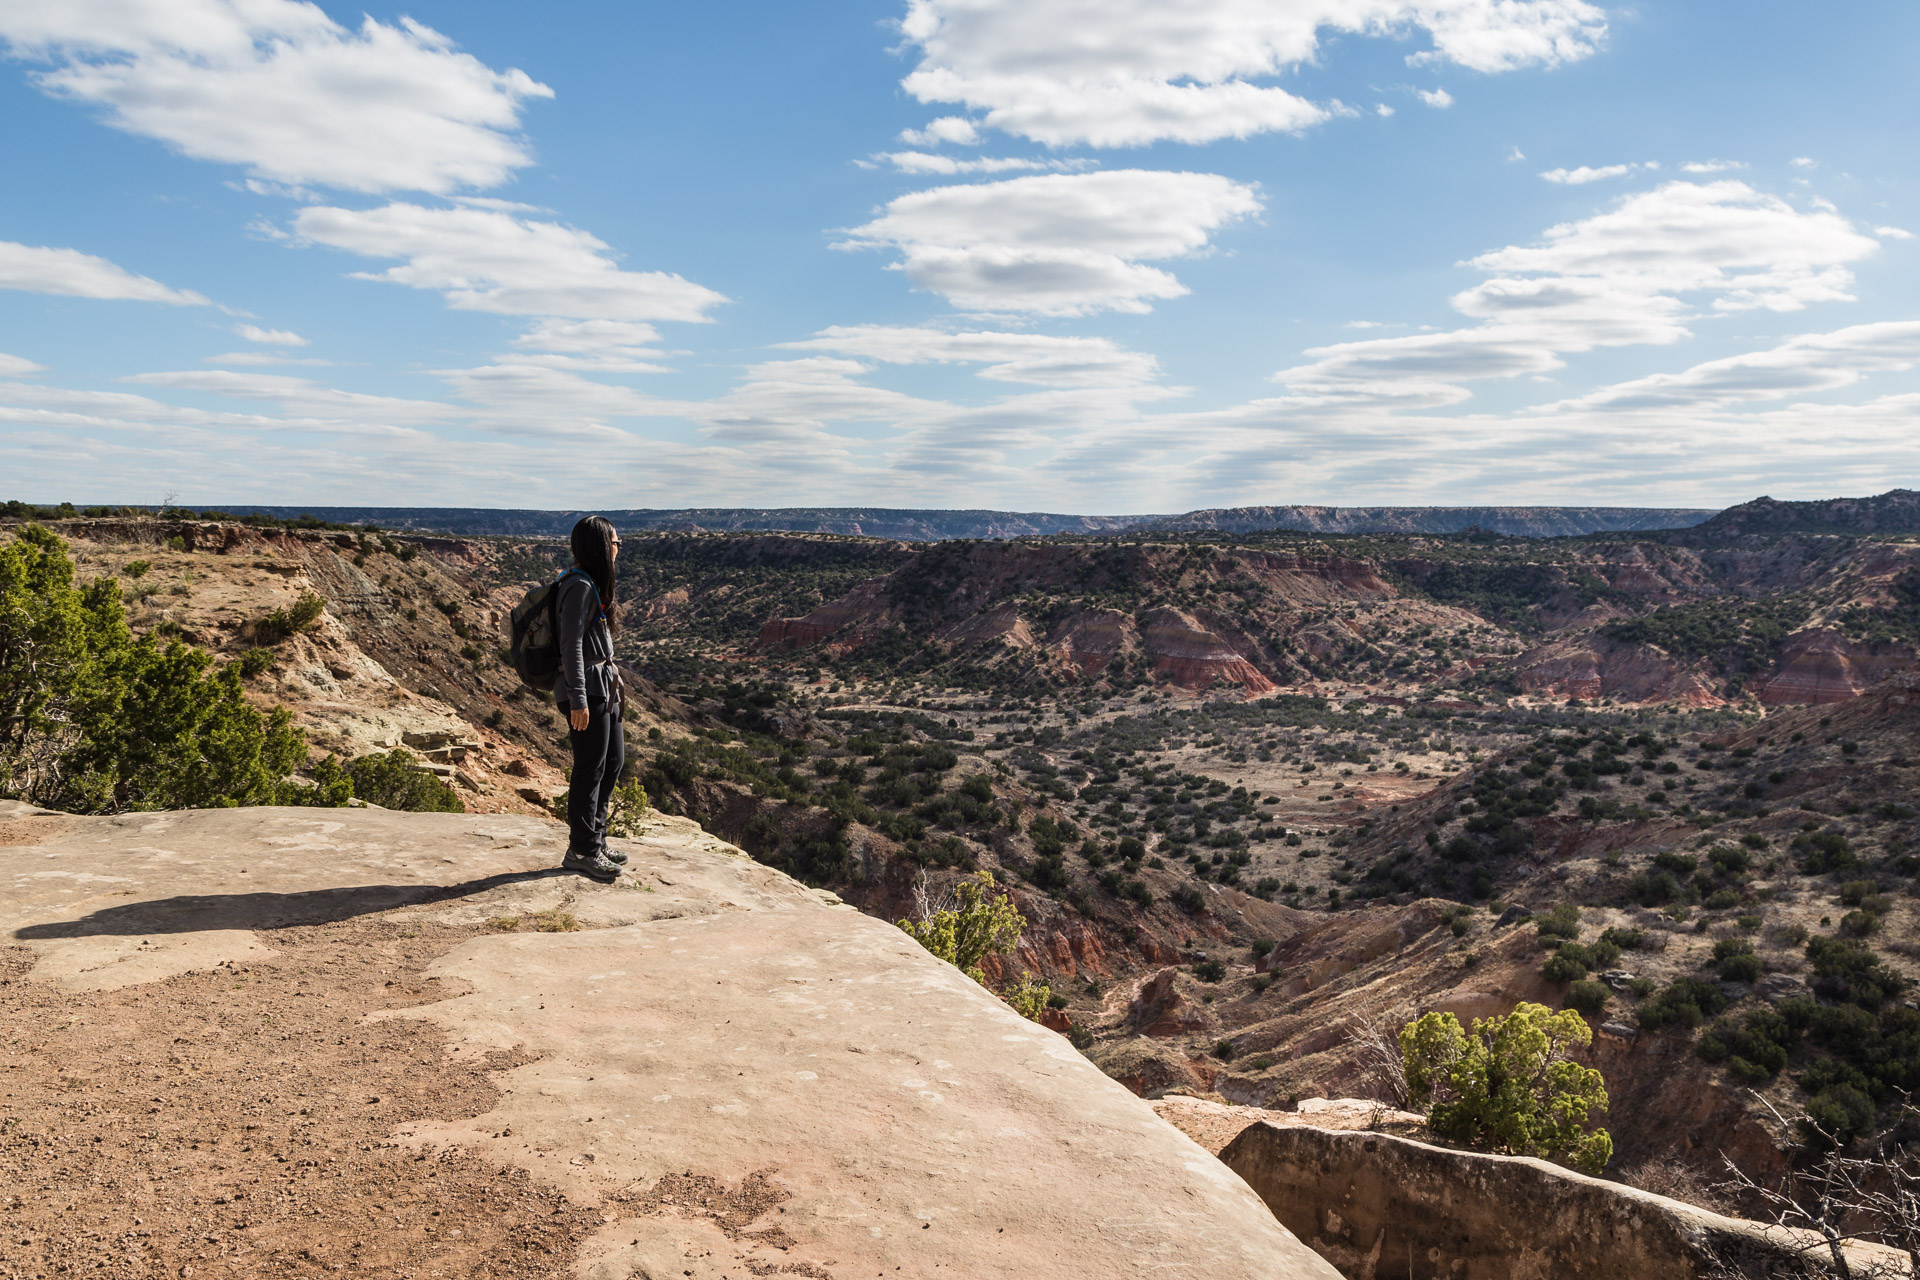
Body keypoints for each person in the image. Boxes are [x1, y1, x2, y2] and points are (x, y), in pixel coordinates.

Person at [556, 515, 626, 882]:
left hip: (604, 685)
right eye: (614, 541)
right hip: (588, 689)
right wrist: (578, 699)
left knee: (613, 761)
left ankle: (595, 841)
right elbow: (570, 648)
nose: (618, 548)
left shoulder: (591, 584)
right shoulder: (579, 586)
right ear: (601, 545)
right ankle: (581, 850)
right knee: (590, 768)